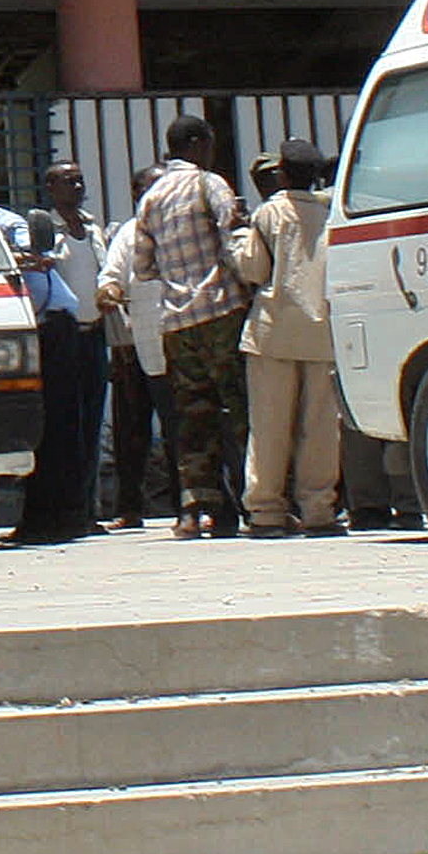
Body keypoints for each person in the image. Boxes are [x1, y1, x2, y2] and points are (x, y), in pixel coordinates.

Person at [99, 119, 249, 539]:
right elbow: (234, 237)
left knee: (192, 419)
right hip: (221, 312)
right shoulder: (210, 185)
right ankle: (255, 502)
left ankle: (198, 508)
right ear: (198, 144)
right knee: (239, 411)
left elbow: (143, 267)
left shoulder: (150, 200)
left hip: (176, 323)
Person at [228, 144, 343, 536]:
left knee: (270, 426)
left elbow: (253, 269)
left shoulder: (269, 213)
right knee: (321, 427)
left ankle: (265, 512)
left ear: (283, 174)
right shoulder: (332, 212)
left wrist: (237, 236)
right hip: (322, 331)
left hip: (273, 331)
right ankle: (318, 510)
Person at [0, 162, 107, 546]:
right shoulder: (26, 224)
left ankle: (81, 511)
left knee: (86, 426)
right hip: (52, 333)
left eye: (80, 179)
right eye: (68, 180)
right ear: (48, 186)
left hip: (89, 331)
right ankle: (53, 516)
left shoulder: (91, 227)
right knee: (57, 427)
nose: (77, 186)